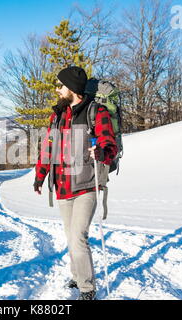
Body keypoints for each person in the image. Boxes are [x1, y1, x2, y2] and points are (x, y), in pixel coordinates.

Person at [33, 66, 118, 300]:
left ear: (72, 89)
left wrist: (102, 153)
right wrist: (39, 177)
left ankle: (87, 288)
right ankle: (78, 274)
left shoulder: (95, 112)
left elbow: (110, 145)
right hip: (62, 186)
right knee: (71, 237)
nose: (57, 89)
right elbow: (48, 149)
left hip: (86, 185)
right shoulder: (57, 115)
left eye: (61, 85)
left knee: (79, 236)